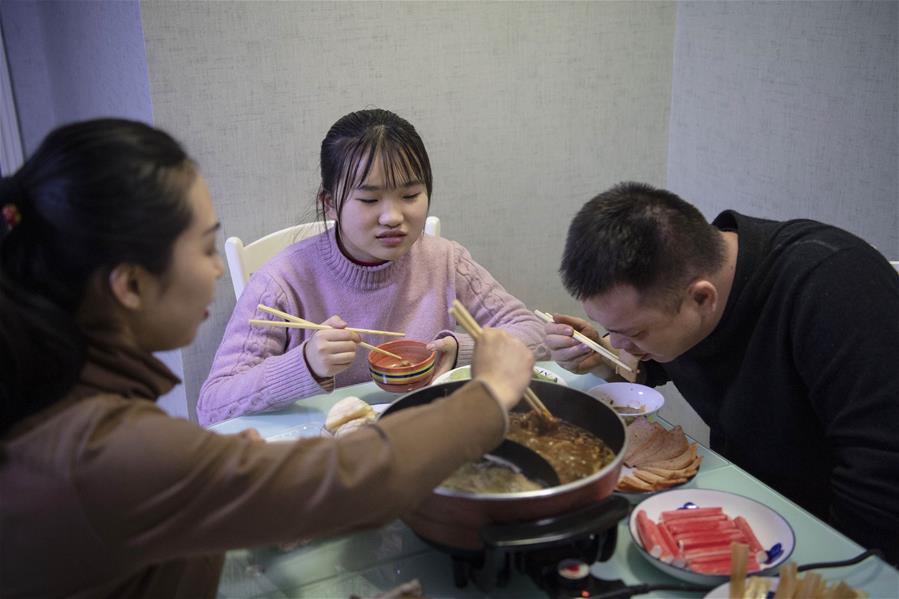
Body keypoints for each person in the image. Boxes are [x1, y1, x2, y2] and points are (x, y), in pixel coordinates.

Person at [0, 118, 537, 598]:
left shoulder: (59, 394)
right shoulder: (108, 452)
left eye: (409, 193)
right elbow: (349, 481)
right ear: (132, 285)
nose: (217, 270)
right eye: (206, 247)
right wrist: (486, 397)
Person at [545, 181, 899, 564]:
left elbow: (883, 473)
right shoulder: (686, 278)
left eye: (633, 333)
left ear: (702, 298)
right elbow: (656, 361)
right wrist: (599, 356)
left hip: (831, 536)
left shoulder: (834, 288)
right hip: (749, 500)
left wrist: (833, 571)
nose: (617, 343)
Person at [198, 108, 547, 425]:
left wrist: (461, 350)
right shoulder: (280, 283)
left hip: (426, 442)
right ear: (330, 203)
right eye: (369, 199)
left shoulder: (446, 260)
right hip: (328, 460)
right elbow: (213, 406)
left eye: (410, 196)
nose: (394, 217)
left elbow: (535, 333)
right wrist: (305, 364)